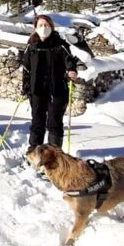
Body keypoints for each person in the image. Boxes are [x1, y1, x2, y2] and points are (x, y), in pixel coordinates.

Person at [21, 15, 78, 152]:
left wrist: (71, 69)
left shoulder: (60, 44)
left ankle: (54, 156)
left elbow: (69, 60)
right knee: (37, 123)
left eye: (46, 25)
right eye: (40, 25)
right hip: (37, 90)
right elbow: (26, 69)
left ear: (52, 27)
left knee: (54, 123)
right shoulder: (32, 47)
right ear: (35, 28)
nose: (43, 28)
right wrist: (26, 87)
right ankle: (34, 153)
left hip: (57, 90)